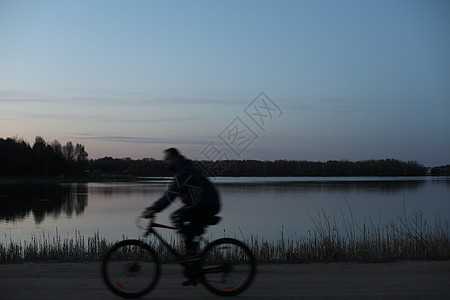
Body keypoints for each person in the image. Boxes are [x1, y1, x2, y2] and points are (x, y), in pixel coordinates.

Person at [143, 148, 221, 256]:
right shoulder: (183, 169)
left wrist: (154, 209)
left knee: (176, 217)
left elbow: (170, 195)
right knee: (186, 224)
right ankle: (193, 255)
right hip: (206, 203)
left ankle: (191, 253)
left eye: (168, 159)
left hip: (207, 204)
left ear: (175, 159)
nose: (165, 162)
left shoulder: (184, 171)